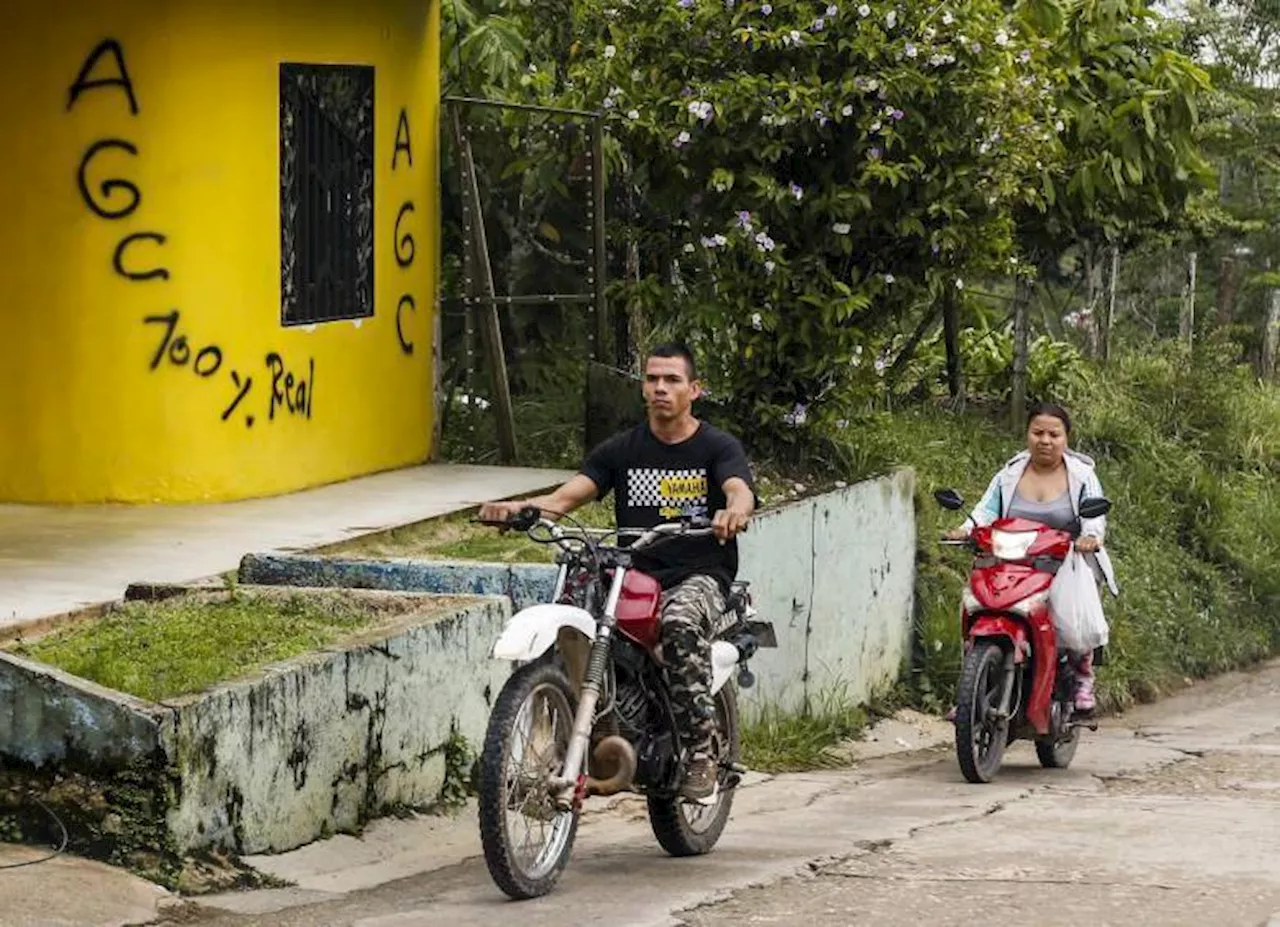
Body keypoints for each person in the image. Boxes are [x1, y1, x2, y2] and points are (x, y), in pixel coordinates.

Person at [478, 342, 757, 800]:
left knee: (680, 624)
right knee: (578, 609)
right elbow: (565, 500)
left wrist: (734, 512)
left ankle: (700, 750)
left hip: (699, 571)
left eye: (672, 380)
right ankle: (552, 738)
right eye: (653, 380)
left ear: (695, 389)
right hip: (634, 571)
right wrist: (519, 510)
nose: (661, 389)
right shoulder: (623, 449)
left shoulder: (716, 446)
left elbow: (737, 488)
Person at [945, 402, 1119, 712]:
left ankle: (1081, 675)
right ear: (1027, 434)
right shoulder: (1010, 473)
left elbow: (1094, 514)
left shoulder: (1081, 475)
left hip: (1062, 560)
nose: (1045, 440)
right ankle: (972, 690)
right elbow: (986, 510)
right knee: (980, 602)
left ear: (1067, 438)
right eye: (1038, 432)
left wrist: (1090, 537)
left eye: (1054, 434)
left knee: (1072, 619)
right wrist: (965, 530)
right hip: (1011, 559)